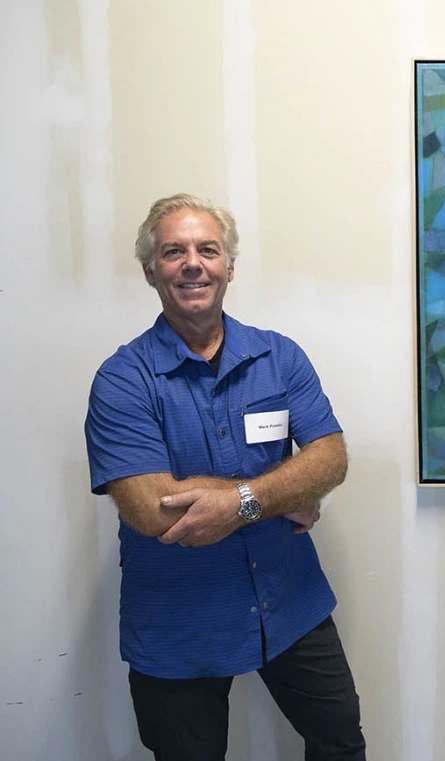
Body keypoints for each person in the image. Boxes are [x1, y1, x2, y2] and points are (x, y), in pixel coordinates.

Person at [85, 193, 367, 761]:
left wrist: (240, 499)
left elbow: (330, 456)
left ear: (229, 267)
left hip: (290, 604)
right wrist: (281, 494)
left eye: (207, 250)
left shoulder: (279, 357)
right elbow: (153, 509)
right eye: (173, 252)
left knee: (340, 744)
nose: (193, 263)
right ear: (150, 272)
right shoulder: (122, 381)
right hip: (179, 621)